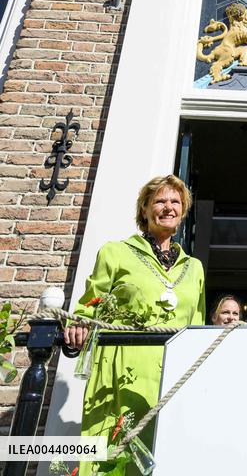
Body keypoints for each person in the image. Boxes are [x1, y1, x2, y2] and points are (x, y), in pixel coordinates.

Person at [62, 175, 206, 474]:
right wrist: (79, 326)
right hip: (120, 372)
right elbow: (89, 306)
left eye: (176, 201)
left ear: (184, 211)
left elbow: (197, 327)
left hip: (171, 376)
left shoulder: (194, 268)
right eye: (160, 201)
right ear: (144, 210)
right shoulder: (115, 252)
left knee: (166, 456)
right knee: (112, 457)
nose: (168, 207)